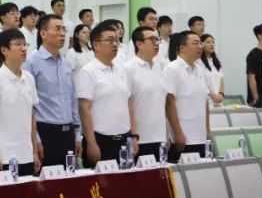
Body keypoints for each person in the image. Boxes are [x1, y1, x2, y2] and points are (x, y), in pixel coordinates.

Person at [0, 29, 40, 176]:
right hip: (3, 157)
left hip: (26, 155)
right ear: (4, 50)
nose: (23, 48)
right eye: (18, 44)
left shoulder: (29, 78)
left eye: (25, 44)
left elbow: (32, 118)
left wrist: (34, 152)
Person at [23, 14, 80, 168]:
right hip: (45, 132)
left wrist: (77, 135)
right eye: (57, 29)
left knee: (68, 179)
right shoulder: (31, 63)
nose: (62, 33)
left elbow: (72, 99)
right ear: (43, 33)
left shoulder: (65, 63)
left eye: (63, 29)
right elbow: (28, 106)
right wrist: (36, 139)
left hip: (68, 132)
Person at [77, 20, 133, 167]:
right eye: (110, 40)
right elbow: (84, 109)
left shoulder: (123, 70)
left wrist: (133, 137)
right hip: (101, 140)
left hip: (124, 139)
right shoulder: (88, 71)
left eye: (116, 40)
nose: (115, 44)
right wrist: (91, 143)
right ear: (96, 45)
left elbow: (129, 104)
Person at [163, 31, 211, 161]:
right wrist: (178, 134)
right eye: (195, 43)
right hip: (182, 138)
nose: (200, 46)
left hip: (200, 136)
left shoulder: (200, 70)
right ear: (182, 47)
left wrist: (207, 130)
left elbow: (205, 103)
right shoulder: (172, 69)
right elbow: (169, 103)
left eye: (200, 43)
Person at [126, 26, 168, 160]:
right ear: (139, 44)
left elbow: (161, 102)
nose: (156, 43)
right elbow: (126, 105)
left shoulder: (159, 67)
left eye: (157, 39)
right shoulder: (128, 69)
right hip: (139, 140)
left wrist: (166, 133)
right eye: (152, 39)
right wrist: (132, 136)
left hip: (160, 138)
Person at [199, 34, 224, 105]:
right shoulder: (198, 62)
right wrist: (213, 96)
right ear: (202, 45)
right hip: (206, 99)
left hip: (218, 100)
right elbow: (201, 82)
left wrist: (221, 94)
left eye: (213, 42)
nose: (211, 44)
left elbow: (221, 79)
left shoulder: (216, 62)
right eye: (208, 42)